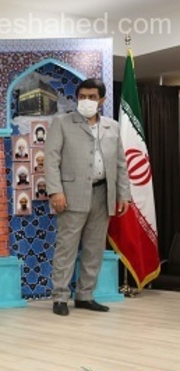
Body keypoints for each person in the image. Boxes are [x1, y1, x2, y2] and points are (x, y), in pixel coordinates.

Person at [45, 78, 131, 316]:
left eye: (92, 97)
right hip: (71, 195)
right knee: (66, 248)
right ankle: (60, 297)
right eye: (82, 96)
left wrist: (124, 194)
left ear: (102, 100)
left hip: (103, 194)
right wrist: (55, 191)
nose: (86, 101)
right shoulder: (62, 122)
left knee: (94, 248)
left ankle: (85, 295)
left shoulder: (112, 126)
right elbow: (51, 159)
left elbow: (121, 163)